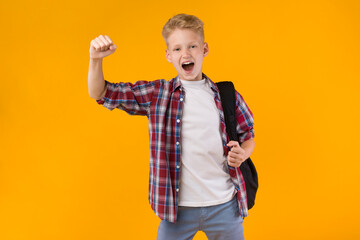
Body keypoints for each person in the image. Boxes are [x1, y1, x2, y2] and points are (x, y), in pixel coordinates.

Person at [88, 13, 255, 240]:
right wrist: (95, 59)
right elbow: (100, 93)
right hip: (177, 211)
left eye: (192, 46)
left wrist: (241, 154)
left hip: (225, 205)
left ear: (204, 49)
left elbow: (249, 136)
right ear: (168, 55)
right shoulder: (158, 94)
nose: (185, 53)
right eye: (177, 49)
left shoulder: (227, 95)